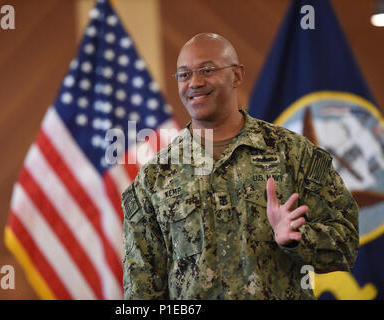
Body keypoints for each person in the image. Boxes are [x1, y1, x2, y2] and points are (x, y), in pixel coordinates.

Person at [121, 33, 359, 299]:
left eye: (207, 70)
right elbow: (141, 288)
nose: (195, 83)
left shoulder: (292, 153)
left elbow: (346, 243)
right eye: (184, 75)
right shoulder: (155, 176)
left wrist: (296, 237)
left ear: (236, 75)